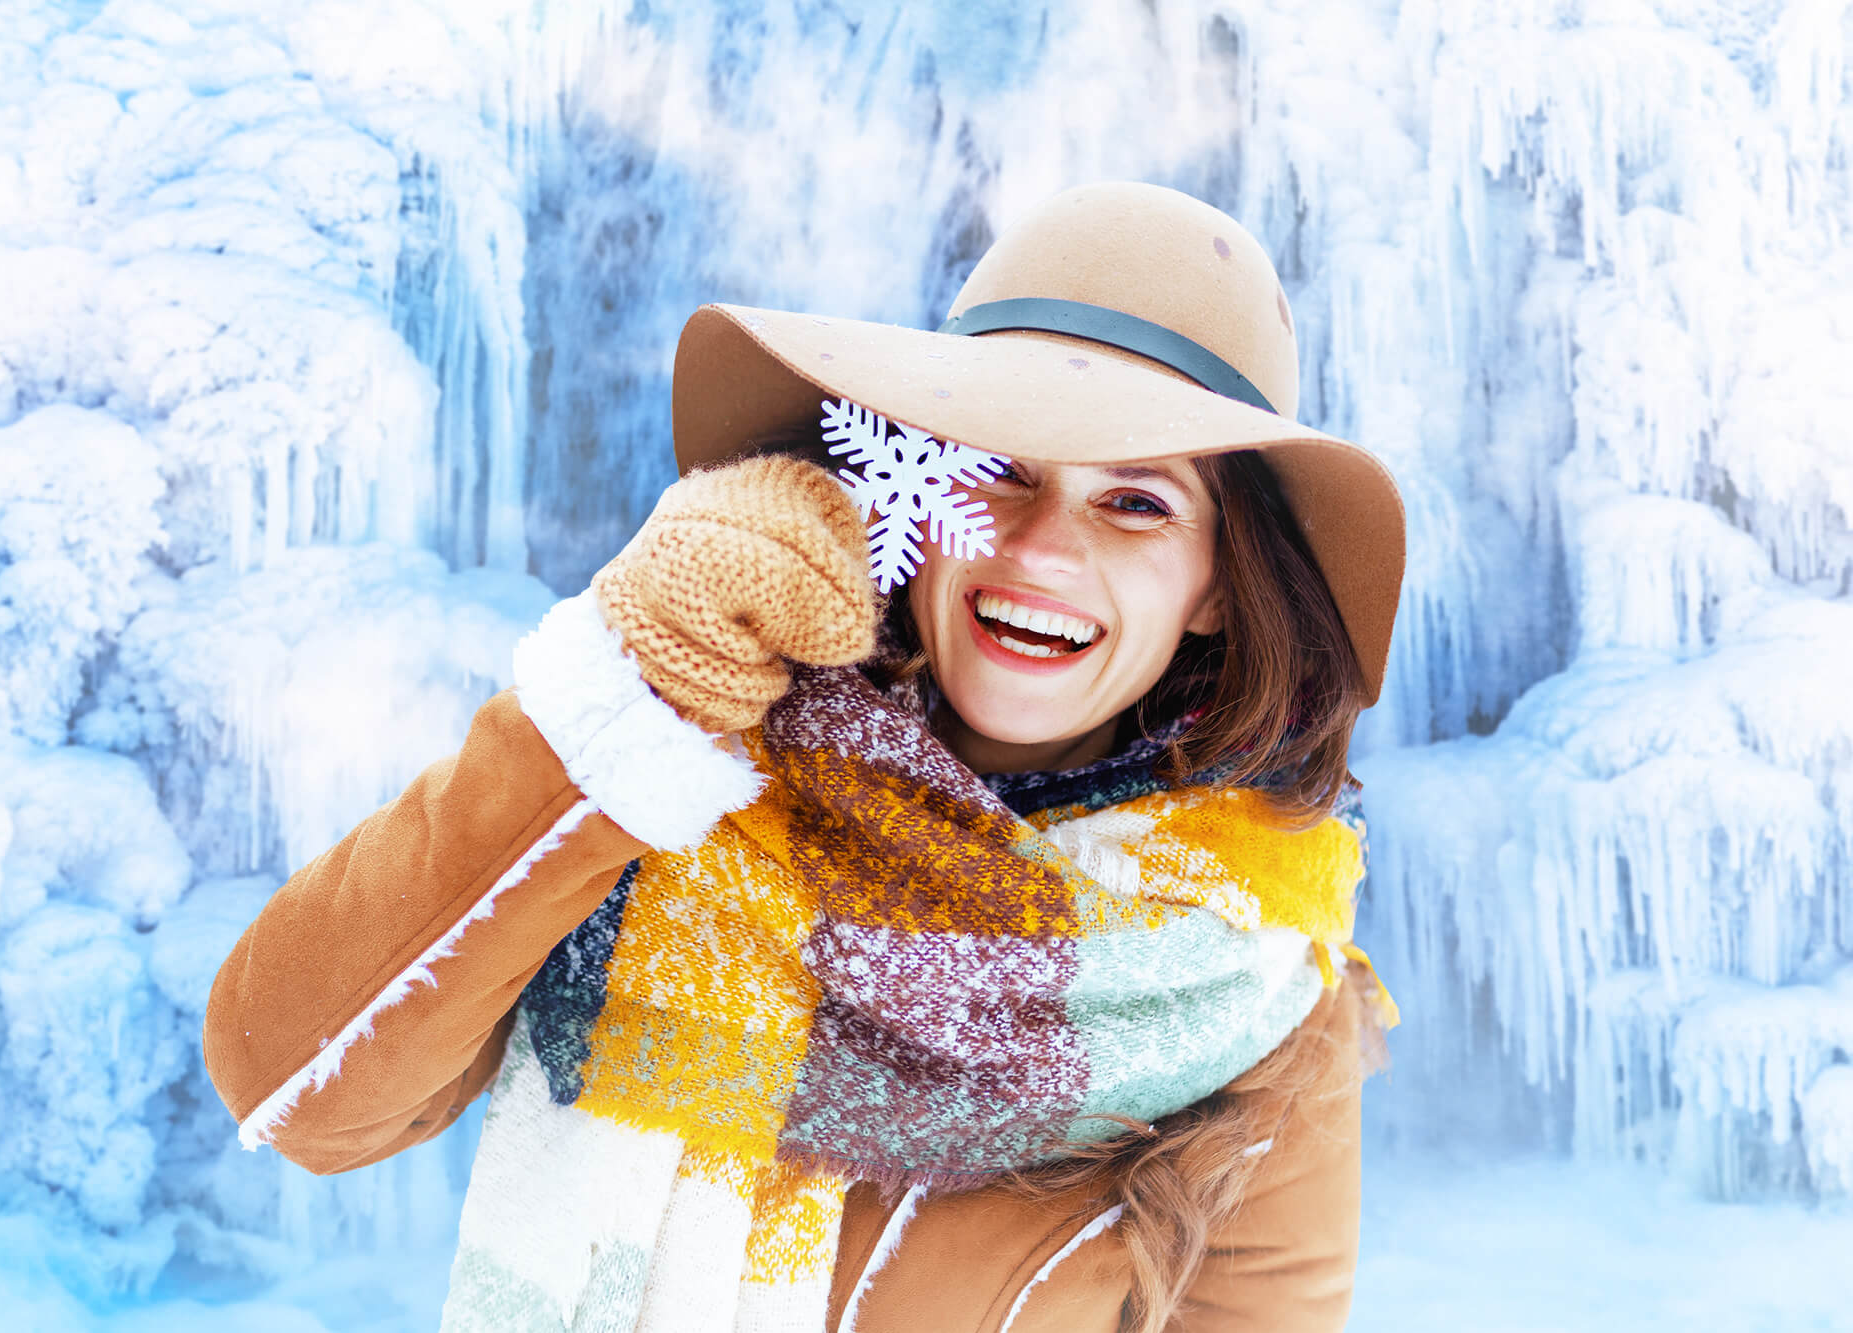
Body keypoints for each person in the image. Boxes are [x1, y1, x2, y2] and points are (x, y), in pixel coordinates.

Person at [204, 181, 1406, 1333]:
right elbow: (299, 1092)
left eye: (1135, 504)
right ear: (911, 499)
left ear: (1213, 590)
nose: (1041, 548)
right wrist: (618, 707)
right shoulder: (680, 770)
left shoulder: (1257, 981)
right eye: (999, 470)